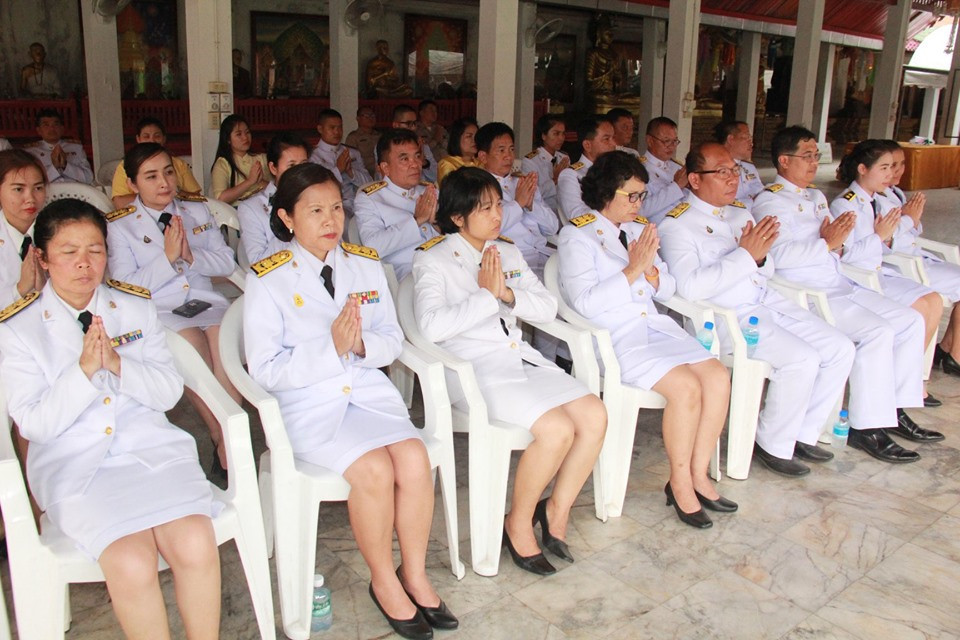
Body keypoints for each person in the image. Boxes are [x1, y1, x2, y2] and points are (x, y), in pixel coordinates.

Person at [244, 163, 456, 639]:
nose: (330, 220)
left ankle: (414, 574)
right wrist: (331, 348)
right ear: (287, 218)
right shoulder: (268, 278)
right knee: (375, 471)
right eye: (315, 210)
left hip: (366, 393)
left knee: (415, 458)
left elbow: (391, 339)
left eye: (336, 208)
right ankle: (384, 582)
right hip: (309, 406)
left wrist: (359, 346)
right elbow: (265, 369)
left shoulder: (363, 263)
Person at [0, 199, 220, 638]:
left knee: (196, 541)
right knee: (130, 561)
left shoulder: (135, 308)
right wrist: (83, 372)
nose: (85, 263)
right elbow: (35, 425)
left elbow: (167, 392)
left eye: (96, 250)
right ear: (41, 257)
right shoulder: (18, 330)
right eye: (68, 251)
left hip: (152, 451)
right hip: (77, 468)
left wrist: (120, 366)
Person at [413, 166, 607, 572]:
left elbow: (546, 307)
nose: (497, 215)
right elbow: (431, 327)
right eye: (484, 208)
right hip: (476, 371)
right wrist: (488, 298)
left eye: (499, 204)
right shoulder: (433, 261)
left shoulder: (508, 251)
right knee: (556, 429)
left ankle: (556, 511)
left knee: (594, 413)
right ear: (457, 217)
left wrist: (506, 292)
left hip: (521, 359)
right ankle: (517, 523)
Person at [557, 151, 733, 527]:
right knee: (686, 388)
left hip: (654, 327)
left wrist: (651, 274)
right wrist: (632, 269)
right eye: (631, 196)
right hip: (617, 338)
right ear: (607, 193)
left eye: (642, 196)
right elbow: (584, 303)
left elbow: (668, 288)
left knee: (717, 377)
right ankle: (680, 481)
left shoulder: (639, 231)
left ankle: (698, 474)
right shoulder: (578, 235)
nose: (639, 204)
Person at [659, 143, 855, 476]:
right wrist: (746, 256)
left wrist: (760, 258)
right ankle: (772, 444)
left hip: (765, 302)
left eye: (734, 171)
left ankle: (802, 434)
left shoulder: (739, 213)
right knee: (802, 358)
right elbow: (689, 288)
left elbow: (767, 267)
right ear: (694, 179)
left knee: (840, 347)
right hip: (724, 318)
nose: (732, 179)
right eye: (721, 172)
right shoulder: (676, 224)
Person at [753, 126, 937, 461]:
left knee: (910, 320)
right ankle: (867, 428)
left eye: (816, 156)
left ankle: (891, 410)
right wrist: (827, 244)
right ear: (783, 161)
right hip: (807, 291)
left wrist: (832, 247)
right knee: (877, 331)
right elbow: (778, 257)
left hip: (838, 281)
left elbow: (839, 248)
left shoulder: (815, 197)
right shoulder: (771, 201)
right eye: (806, 156)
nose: (813, 163)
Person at [109, 143, 243, 474]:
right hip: (161, 307)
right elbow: (128, 285)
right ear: (133, 184)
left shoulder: (196, 210)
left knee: (223, 344)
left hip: (205, 300)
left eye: (168, 172)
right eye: (151, 176)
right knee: (195, 352)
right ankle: (225, 441)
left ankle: (226, 444)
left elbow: (227, 261)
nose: (164, 182)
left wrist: (191, 256)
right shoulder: (120, 225)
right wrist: (167, 259)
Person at [832, 140, 945, 411]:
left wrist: (896, 229)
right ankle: (898, 392)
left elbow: (893, 241)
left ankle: (907, 382)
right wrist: (882, 235)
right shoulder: (845, 205)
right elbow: (845, 254)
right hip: (858, 277)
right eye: (884, 167)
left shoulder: (876, 200)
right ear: (862, 169)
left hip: (879, 270)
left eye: (892, 167)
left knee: (934, 301)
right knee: (916, 311)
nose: (890, 174)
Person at [878, 140, 960, 379]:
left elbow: (913, 233)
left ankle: (948, 349)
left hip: (915, 257)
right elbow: (883, 240)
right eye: (890, 165)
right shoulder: (870, 199)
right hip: (898, 265)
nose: (897, 171)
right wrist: (908, 219)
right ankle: (953, 355)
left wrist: (911, 220)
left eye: (901, 164)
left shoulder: (895, 192)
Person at [475, 122, 558, 278]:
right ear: (483, 156)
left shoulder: (521, 182)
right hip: (510, 263)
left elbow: (552, 227)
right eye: (501, 150)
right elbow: (487, 228)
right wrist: (518, 204)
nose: (509, 156)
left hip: (544, 255)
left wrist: (531, 205)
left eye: (511, 149)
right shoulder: (476, 187)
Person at [354, 129, 439, 282]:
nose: (415, 165)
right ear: (385, 168)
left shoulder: (430, 191)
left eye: (417, 156)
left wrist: (438, 223)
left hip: (445, 264)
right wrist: (416, 220)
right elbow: (373, 247)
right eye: (404, 159)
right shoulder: (371, 199)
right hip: (409, 273)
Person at [237, 132, 309, 263]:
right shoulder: (251, 208)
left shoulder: (317, 200)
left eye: (304, 164)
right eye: (291, 166)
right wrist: (289, 228)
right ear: (273, 168)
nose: (299, 172)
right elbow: (258, 262)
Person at [111, 117, 202, 208]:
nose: (152, 140)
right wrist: (154, 197)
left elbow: (197, 198)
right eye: (146, 136)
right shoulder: (126, 165)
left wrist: (175, 192)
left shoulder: (179, 164)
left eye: (169, 172)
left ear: (164, 138)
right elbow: (119, 202)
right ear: (138, 139)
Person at [0, 150, 48, 308]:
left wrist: (46, 289)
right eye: (19, 189)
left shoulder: (58, 231)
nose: (30, 199)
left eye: (38, 188)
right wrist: (19, 290)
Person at [309, 108, 372, 216]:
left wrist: (351, 172)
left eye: (340, 127)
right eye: (332, 128)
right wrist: (338, 170)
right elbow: (315, 187)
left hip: (357, 205)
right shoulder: (313, 156)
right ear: (320, 129)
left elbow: (369, 184)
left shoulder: (352, 152)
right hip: (329, 208)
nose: (337, 132)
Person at [557, 117, 617, 224]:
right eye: (606, 139)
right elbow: (576, 215)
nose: (613, 144)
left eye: (613, 138)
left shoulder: (615, 171)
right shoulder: (571, 175)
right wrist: (613, 214)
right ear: (587, 145)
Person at [210, 114, 268, 204]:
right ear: (228, 139)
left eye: (247, 132)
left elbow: (276, 190)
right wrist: (250, 182)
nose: (245, 137)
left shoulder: (261, 158)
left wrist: (261, 182)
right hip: (234, 213)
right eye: (238, 134)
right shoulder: (222, 164)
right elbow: (221, 198)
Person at [25, 109, 93, 185]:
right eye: (46, 125)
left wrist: (66, 166)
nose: (52, 129)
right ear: (39, 130)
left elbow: (88, 178)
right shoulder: (31, 151)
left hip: (75, 192)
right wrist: (54, 168)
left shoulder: (76, 148)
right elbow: (31, 180)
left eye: (56, 124)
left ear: (62, 128)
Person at [640, 117, 687, 224]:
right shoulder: (638, 169)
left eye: (675, 141)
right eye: (666, 141)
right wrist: (676, 187)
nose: (672, 146)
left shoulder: (677, 167)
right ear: (650, 140)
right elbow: (640, 209)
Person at [521, 115, 570, 212]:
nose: (561, 138)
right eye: (556, 134)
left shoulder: (564, 158)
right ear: (544, 135)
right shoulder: (531, 161)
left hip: (564, 209)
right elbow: (532, 194)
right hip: (543, 211)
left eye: (563, 134)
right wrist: (554, 180)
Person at [715, 121, 763, 206]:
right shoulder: (713, 168)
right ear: (730, 139)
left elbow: (761, 193)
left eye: (750, 138)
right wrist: (751, 202)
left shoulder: (749, 167)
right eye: (746, 137)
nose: (751, 143)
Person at [393, 105, 438, 184]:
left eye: (414, 123)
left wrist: (423, 161)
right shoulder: (386, 146)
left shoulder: (422, 145)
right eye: (409, 123)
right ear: (396, 125)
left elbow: (436, 176)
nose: (413, 128)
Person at [437, 117, 479, 186]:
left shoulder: (481, 162)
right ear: (457, 138)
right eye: (469, 136)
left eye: (477, 136)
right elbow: (450, 192)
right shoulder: (447, 163)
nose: (474, 140)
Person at [345, 107, 382, 178]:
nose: (370, 118)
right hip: (363, 175)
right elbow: (351, 159)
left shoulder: (379, 136)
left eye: (372, 116)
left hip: (379, 173)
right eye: (367, 116)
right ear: (358, 119)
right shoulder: (353, 137)